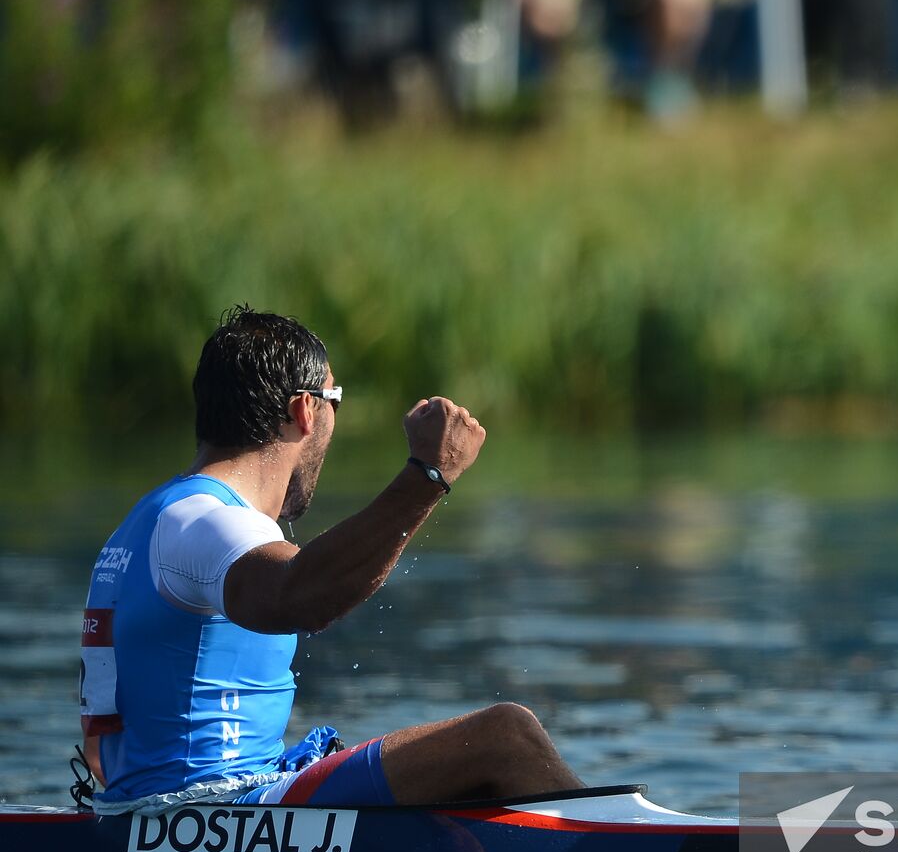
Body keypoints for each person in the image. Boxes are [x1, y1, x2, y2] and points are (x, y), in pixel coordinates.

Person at [79, 306, 585, 813]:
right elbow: (299, 596)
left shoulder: (150, 519)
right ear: (305, 410)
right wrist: (428, 475)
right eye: (334, 401)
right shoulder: (207, 522)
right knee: (505, 736)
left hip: (163, 809)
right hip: (208, 811)